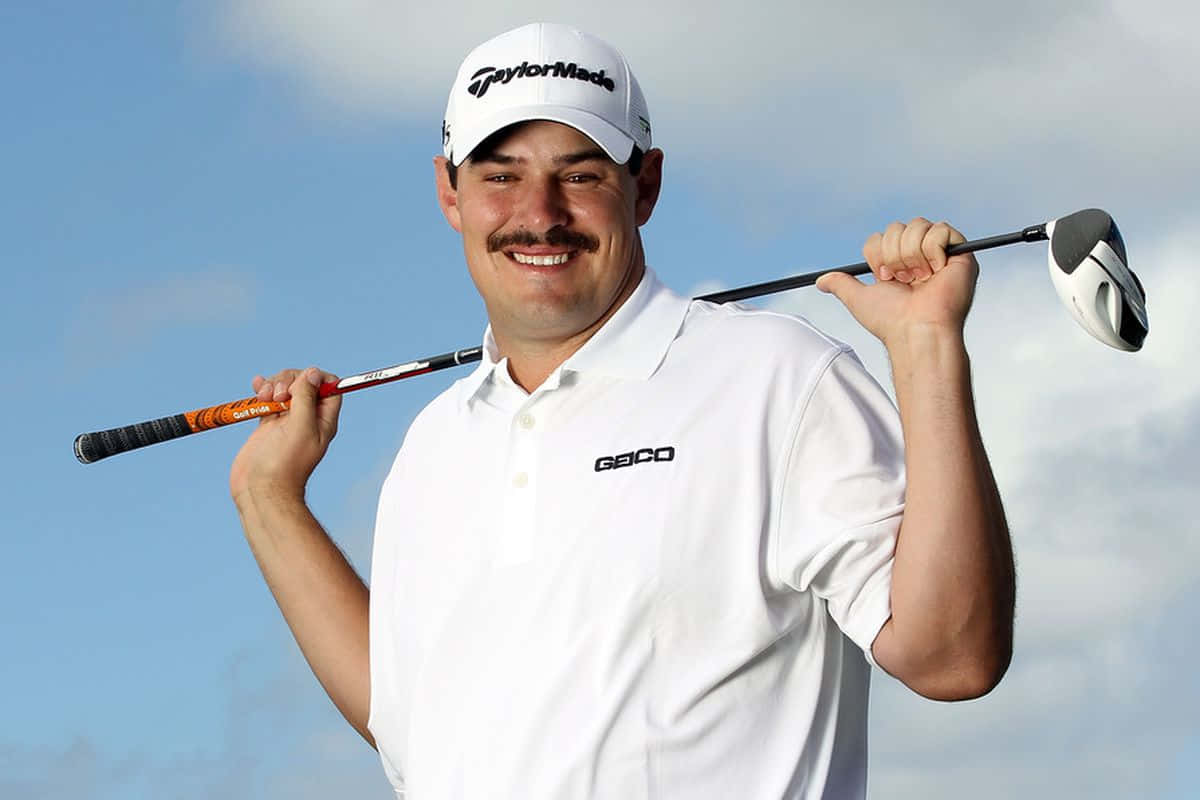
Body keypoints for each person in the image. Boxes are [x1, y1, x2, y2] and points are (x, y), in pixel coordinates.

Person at [230, 22, 1014, 799]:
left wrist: (927, 352)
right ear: (449, 193)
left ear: (646, 186)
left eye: (580, 175)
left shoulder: (777, 376)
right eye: (501, 175)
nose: (540, 213)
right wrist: (268, 498)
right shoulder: (432, 443)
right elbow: (414, 722)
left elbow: (953, 658)